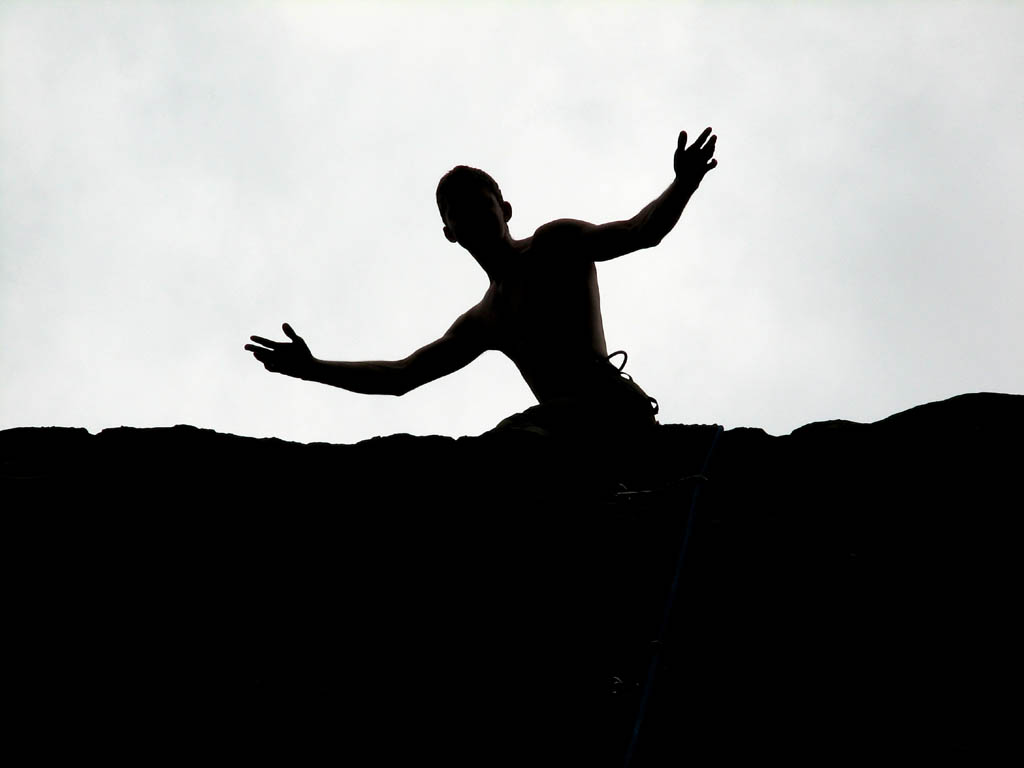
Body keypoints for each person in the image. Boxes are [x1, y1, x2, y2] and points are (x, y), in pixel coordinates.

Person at [245, 128, 718, 467]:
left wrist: (683, 183)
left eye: (481, 204)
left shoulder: (557, 243)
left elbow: (641, 231)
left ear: (505, 210)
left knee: (509, 445)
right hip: (565, 430)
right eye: (458, 212)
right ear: (449, 233)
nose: (471, 216)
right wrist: (314, 369)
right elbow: (401, 376)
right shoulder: (485, 319)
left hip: (609, 411)